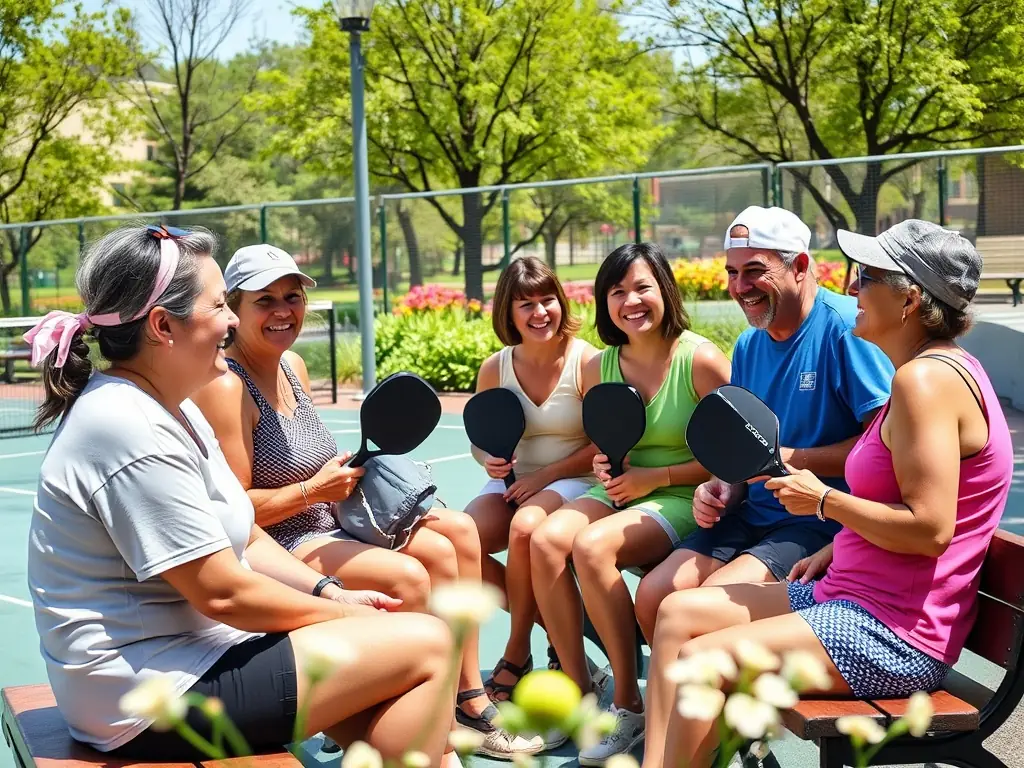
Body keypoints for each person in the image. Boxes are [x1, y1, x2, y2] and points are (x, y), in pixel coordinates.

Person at [23, 224, 459, 766]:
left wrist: (331, 593)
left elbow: (246, 537)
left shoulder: (173, 406)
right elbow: (223, 593)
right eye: (216, 305)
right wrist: (348, 620)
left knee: (393, 695)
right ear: (163, 326)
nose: (232, 320)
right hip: (144, 697)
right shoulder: (124, 425)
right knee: (430, 641)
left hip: (195, 654)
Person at [642, 219, 1015, 768]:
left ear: (910, 298)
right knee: (676, 613)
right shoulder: (922, 374)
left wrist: (823, 502)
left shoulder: (925, 383)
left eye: (866, 277)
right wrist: (836, 545)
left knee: (701, 661)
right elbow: (931, 505)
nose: (850, 287)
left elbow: (932, 529)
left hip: (891, 630)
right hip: (850, 594)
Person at [191, 244, 541, 759]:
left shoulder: (294, 367)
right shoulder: (227, 388)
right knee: (412, 578)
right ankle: (420, 721)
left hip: (333, 516)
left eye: (292, 297)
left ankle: (465, 698)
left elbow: (313, 459)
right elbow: (239, 511)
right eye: (265, 300)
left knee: (458, 537)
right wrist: (316, 490)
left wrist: (339, 479)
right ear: (235, 310)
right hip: (282, 542)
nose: (284, 310)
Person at [634, 205, 895, 642]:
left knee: (703, 611)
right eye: (732, 272)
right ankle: (653, 710)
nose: (740, 287)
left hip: (817, 520)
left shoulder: (850, 329)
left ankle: (714, 711)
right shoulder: (749, 344)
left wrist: (789, 460)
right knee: (654, 593)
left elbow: (884, 445)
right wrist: (723, 486)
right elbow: (744, 445)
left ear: (800, 266)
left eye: (754, 270)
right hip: (752, 512)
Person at [528, 242, 733, 764]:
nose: (631, 301)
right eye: (617, 292)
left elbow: (736, 455)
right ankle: (579, 686)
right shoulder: (601, 366)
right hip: (623, 488)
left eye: (642, 287)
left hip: (686, 492)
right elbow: (606, 443)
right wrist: (605, 465)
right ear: (605, 303)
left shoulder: (702, 359)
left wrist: (655, 476)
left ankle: (628, 700)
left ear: (664, 288)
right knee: (547, 538)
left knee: (592, 547)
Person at [463, 256, 600, 713]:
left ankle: (516, 651)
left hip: (576, 480)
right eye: (527, 304)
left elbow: (604, 443)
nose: (540, 312)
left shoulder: (588, 362)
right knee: (456, 540)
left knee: (524, 528)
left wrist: (545, 475)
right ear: (509, 312)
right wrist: (491, 462)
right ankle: (560, 633)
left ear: (561, 303)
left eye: (548, 300)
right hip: (516, 485)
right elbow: (480, 444)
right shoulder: (494, 368)